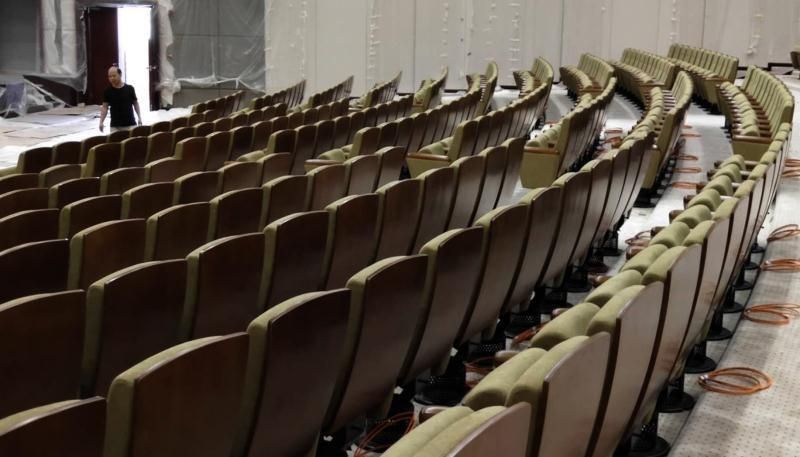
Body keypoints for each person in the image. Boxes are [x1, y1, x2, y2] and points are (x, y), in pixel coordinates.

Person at [98, 65, 142, 132]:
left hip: (130, 124)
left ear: (120, 75)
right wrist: (101, 121)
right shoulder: (107, 91)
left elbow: (135, 104)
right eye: (109, 76)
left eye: (114, 76)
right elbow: (105, 107)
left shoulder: (130, 88)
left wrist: (139, 117)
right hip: (115, 126)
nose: (112, 78)